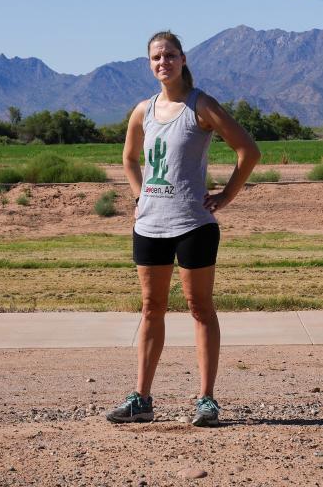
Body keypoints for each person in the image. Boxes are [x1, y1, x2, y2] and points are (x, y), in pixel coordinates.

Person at [105, 31, 260, 427]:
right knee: (152, 308)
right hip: (150, 224)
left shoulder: (201, 106)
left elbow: (249, 151)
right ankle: (142, 400)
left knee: (200, 308)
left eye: (170, 56)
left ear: (183, 59)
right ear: (149, 63)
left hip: (193, 224)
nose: (163, 63)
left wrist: (226, 195)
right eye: (157, 57)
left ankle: (206, 400)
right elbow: (128, 159)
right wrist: (140, 198)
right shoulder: (143, 110)